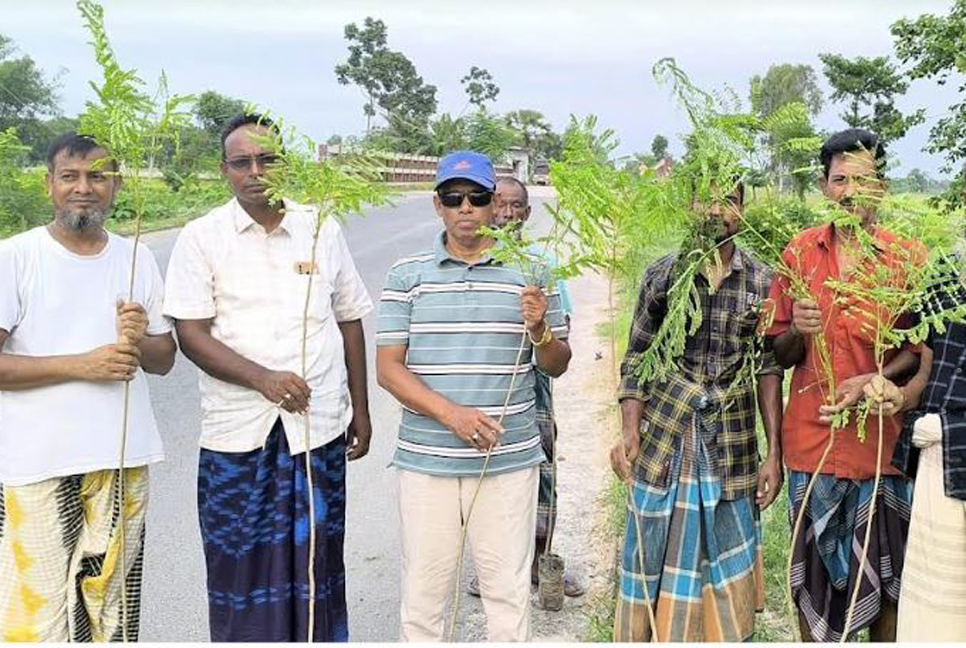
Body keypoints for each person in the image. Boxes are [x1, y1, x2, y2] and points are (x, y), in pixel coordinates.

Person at [162, 114, 373, 642]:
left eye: (268, 159)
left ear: (286, 163)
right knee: (240, 565)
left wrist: (360, 412)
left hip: (318, 429)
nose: (256, 171)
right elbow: (191, 335)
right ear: (225, 170)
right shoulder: (201, 238)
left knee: (317, 561)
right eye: (242, 162)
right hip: (238, 436)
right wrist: (262, 379)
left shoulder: (322, 227)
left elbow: (349, 319)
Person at [376, 151, 572, 641]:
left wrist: (540, 327)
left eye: (477, 198)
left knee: (506, 594)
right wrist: (453, 416)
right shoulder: (407, 276)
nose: (466, 208)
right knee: (424, 597)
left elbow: (557, 363)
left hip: (508, 461)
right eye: (453, 197)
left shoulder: (532, 273)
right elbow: (387, 370)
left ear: (493, 205)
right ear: (437, 205)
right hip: (427, 462)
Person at [0, 132, 176, 641]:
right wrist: (82, 365)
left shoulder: (138, 256)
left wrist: (140, 336)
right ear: (48, 184)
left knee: (113, 613)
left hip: (123, 459)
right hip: (38, 464)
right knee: (38, 619)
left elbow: (163, 361)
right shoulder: (16, 257)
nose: (84, 188)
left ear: (117, 184)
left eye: (98, 176)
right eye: (70, 176)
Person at [609, 178, 783, 642]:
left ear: (743, 210)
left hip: (732, 443)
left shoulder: (765, 282)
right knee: (654, 561)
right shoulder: (664, 275)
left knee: (726, 561)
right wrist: (630, 430)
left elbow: (768, 369)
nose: (715, 210)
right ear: (689, 206)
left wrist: (774, 454)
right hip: (666, 439)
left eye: (728, 200)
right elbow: (638, 361)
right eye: (704, 197)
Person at [767, 128, 920, 642]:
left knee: (887, 593)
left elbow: (920, 352)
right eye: (839, 180)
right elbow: (776, 352)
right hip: (811, 444)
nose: (851, 192)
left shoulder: (910, 259)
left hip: (881, 449)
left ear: (882, 187)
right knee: (809, 589)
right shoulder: (798, 254)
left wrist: (877, 377)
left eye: (863, 180)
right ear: (822, 185)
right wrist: (798, 332)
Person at [465, 176, 584, 600]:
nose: (507, 214)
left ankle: (540, 560)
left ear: (528, 214)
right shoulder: (471, 259)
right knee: (489, 478)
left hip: (534, 385)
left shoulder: (540, 263)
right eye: (499, 204)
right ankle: (492, 567)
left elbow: (560, 333)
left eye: (517, 207)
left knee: (543, 472)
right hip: (489, 390)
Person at [869, 169, 966, 641]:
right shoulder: (945, 272)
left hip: (952, 440)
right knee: (936, 611)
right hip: (941, 464)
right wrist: (898, 397)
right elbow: (928, 369)